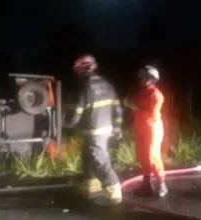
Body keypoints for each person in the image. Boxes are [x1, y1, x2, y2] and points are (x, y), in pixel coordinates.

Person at [63, 54, 123, 206]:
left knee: (100, 160)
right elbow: (118, 108)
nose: (77, 74)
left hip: (93, 131)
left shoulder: (85, 87)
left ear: (82, 70)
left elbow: (77, 113)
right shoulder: (107, 84)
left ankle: (114, 192)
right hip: (106, 130)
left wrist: (66, 124)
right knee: (88, 158)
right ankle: (90, 187)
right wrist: (117, 128)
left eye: (77, 71)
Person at [123, 65, 168, 197]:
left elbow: (151, 114)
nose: (141, 79)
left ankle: (162, 185)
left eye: (144, 77)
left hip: (152, 128)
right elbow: (131, 103)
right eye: (141, 77)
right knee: (142, 155)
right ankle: (146, 185)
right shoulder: (141, 92)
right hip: (141, 127)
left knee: (152, 156)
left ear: (151, 79)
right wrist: (128, 102)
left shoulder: (156, 95)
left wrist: (133, 106)